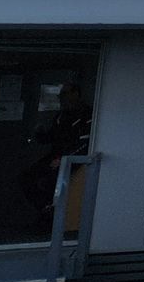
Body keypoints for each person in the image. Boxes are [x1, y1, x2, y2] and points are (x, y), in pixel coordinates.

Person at [17, 82, 93, 221]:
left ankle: (54, 217)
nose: (61, 98)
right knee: (26, 178)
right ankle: (45, 209)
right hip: (55, 157)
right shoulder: (61, 116)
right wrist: (39, 133)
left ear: (75, 94)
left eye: (65, 94)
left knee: (50, 183)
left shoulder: (87, 115)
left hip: (72, 160)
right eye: (60, 95)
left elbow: (85, 143)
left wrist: (64, 159)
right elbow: (52, 137)